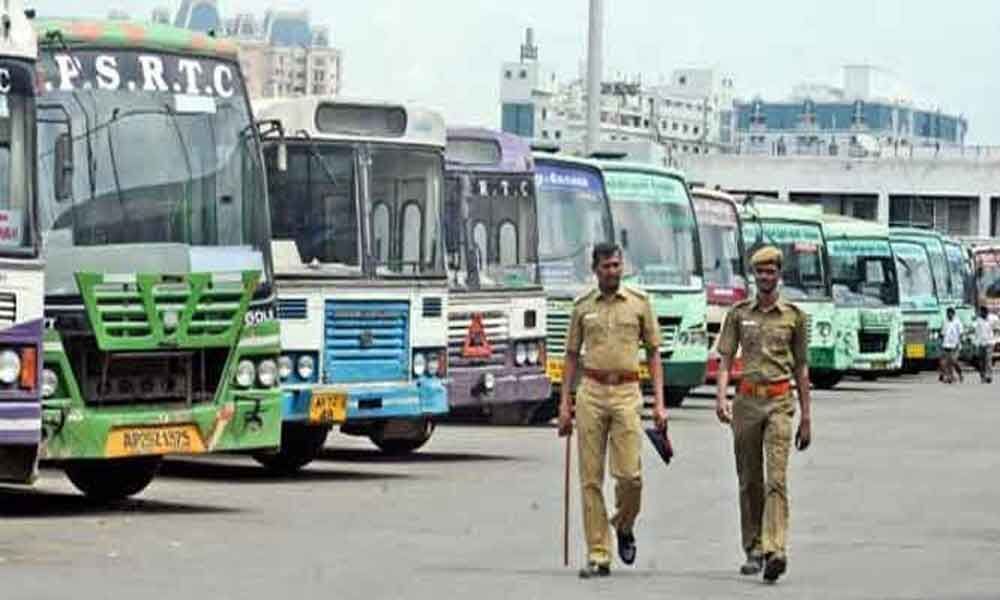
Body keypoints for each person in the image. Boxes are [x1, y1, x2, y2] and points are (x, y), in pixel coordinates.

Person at [557, 242, 667, 579]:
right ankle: (598, 552)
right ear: (595, 269)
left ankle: (624, 523)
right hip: (590, 392)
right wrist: (565, 403)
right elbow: (572, 357)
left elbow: (654, 354)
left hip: (627, 393)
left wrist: (659, 404)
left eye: (617, 265)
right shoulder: (582, 307)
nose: (612, 272)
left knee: (630, 477)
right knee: (590, 478)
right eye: (606, 266)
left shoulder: (639, 304)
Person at [715, 246, 812, 584]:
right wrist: (721, 396)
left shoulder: (794, 317)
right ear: (754, 276)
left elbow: (801, 368)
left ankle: (775, 549)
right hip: (746, 403)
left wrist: (807, 417)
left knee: (776, 478)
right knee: (750, 480)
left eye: (771, 272)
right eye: (760, 272)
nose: (766, 277)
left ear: (779, 274)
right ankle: (753, 546)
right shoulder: (739, 314)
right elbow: (726, 358)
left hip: (780, 402)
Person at [941, 307, 963, 384]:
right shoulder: (945, 321)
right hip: (946, 344)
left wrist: (958, 342)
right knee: (947, 362)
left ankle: (959, 372)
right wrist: (942, 343)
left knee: (953, 360)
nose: (948, 315)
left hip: (955, 345)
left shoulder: (957, 322)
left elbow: (960, 333)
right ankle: (950, 376)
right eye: (947, 313)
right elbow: (943, 333)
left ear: (953, 314)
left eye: (950, 313)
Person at [973, 307, 993, 383]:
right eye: (982, 312)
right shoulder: (978, 321)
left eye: (985, 312)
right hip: (981, 344)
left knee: (988, 360)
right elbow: (976, 333)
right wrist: (975, 344)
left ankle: (989, 376)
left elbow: (993, 330)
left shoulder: (990, 320)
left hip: (989, 343)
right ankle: (983, 376)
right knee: (982, 361)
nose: (984, 314)